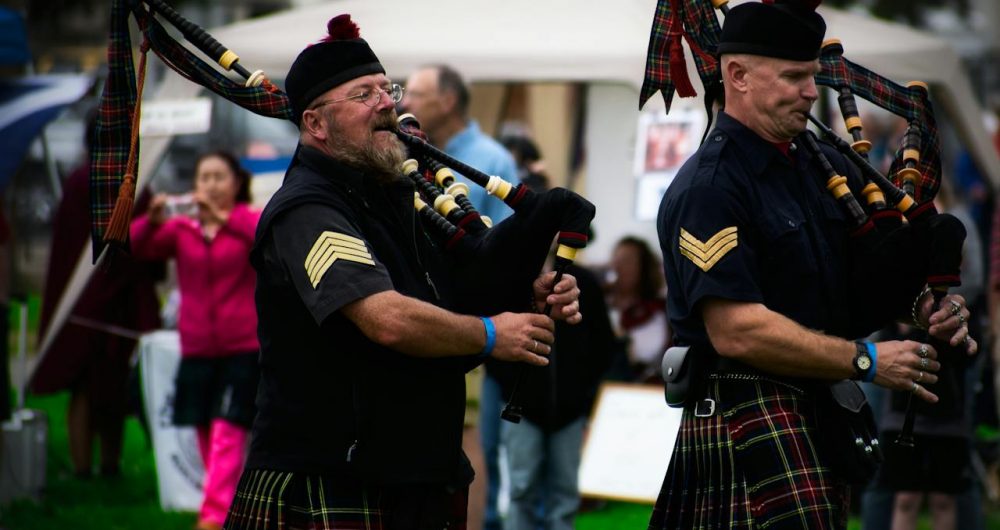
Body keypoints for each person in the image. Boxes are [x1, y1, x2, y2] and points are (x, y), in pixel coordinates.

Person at [223, 15, 581, 530]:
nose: (388, 103)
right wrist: (489, 335)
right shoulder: (306, 209)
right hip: (331, 476)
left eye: (386, 89)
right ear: (316, 124)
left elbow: (463, 285)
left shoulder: (395, 198)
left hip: (414, 472)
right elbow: (384, 317)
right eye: (364, 94)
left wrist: (530, 284)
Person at [647, 2, 977, 528]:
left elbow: (858, 276)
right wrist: (866, 360)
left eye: (812, 77)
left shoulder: (818, 164)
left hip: (820, 412)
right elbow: (736, 330)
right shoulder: (710, 188)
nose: (810, 91)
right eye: (794, 77)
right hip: (745, 415)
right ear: (738, 76)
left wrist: (926, 305)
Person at [403, 64, 520, 530]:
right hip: (425, 315)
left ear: (448, 100)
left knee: (471, 437)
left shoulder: (490, 160)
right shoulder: (414, 151)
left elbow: (508, 247)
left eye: (415, 91)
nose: (404, 99)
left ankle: (483, 521)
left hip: (478, 322)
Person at [130, 150, 261, 530]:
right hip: (198, 347)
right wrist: (151, 223)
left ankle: (214, 515)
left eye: (220, 177)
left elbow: (263, 243)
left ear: (237, 183)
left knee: (228, 429)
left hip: (242, 347)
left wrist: (222, 220)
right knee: (204, 429)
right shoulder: (182, 228)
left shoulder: (247, 221)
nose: (211, 185)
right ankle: (233, 508)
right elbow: (136, 247)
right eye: (204, 177)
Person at [35, 110, 161, 479]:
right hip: (87, 305)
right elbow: (72, 251)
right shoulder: (82, 183)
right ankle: (82, 469)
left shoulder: (136, 183)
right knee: (86, 386)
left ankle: (109, 466)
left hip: (121, 300)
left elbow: (143, 243)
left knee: (115, 387)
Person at [494, 260, 615, 530]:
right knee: (521, 489)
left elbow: (603, 343)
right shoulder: (514, 278)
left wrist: (586, 396)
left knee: (564, 492)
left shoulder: (584, 282)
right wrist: (511, 385)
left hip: (570, 410)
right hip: (521, 408)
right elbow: (495, 340)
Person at [607, 236, 669, 382]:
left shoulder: (658, 310)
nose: (619, 266)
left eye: (628, 260)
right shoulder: (601, 302)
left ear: (644, 267)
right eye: (616, 259)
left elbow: (651, 354)